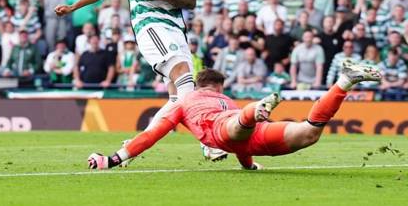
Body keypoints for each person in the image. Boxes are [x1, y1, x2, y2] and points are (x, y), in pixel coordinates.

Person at [87, 61, 381, 170]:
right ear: (218, 86)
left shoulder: (185, 102)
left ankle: (258, 108)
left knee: (236, 125)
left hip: (224, 131)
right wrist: (248, 166)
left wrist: (114, 159)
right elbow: (240, 145)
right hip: (249, 135)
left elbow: (151, 135)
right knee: (309, 132)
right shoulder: (226, 98)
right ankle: (343, 82)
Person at [56, 0, 198, 125]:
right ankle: (210, 142)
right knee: (183, 72)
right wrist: (73, 7)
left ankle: (131, 148)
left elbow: (191, 0)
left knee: (178, 96)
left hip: (175, 28)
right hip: (148, 26)